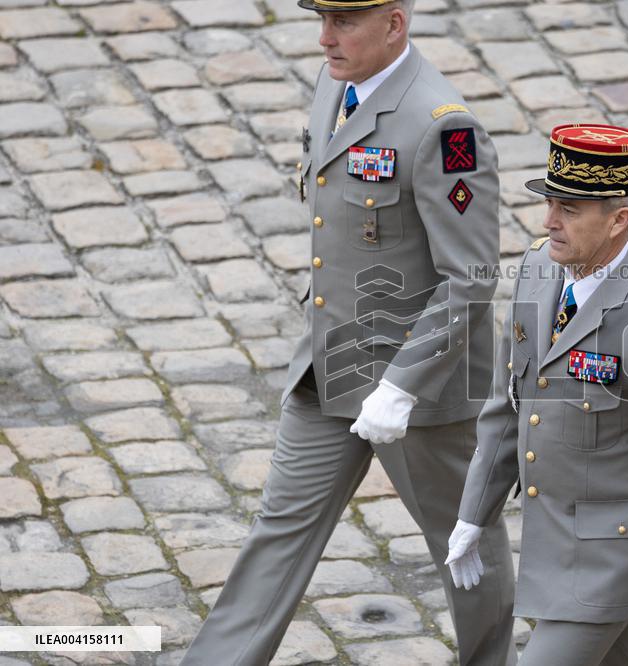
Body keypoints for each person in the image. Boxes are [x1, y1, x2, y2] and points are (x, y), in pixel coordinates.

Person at [180, 1, 516, 664]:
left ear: (394, 23)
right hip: (330, 365)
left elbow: (470, 279)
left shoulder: (445, 130)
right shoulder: (335, 85)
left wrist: (401, 386)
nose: (325, 37)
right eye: (324, 18)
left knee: (463, 544)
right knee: (279, 531)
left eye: (345, 22)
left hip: (421, 392)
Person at [443, 124, 628, 665]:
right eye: (550, 203)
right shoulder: (537, 270)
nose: (549, 221)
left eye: (569, 209)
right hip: (557, 545)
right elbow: (512, 404)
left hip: (608, 564)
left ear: (619, 219)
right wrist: (473, 512)